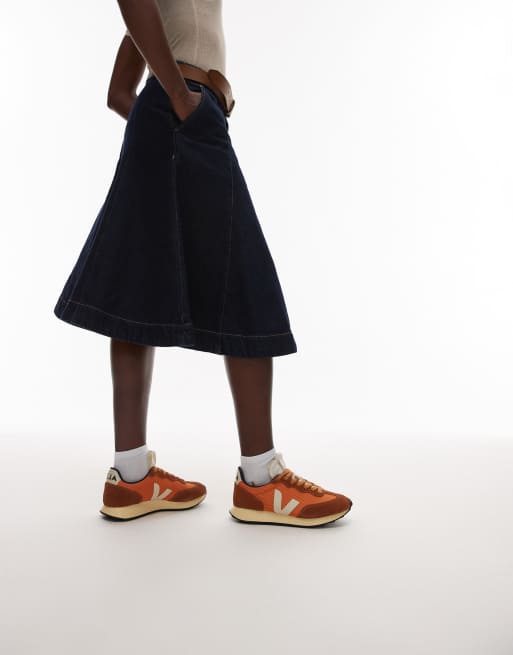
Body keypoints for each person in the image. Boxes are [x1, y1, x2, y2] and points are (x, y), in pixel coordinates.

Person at [53, 0, 352, 527]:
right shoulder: (176, 92)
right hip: (183, 111)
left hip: (173, 116)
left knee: (139, 286)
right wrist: (178, 98)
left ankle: (131, 477)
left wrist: (165, 111)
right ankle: (261, 481)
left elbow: (120, 93)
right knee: (245, 279)